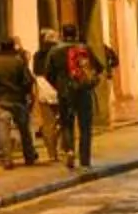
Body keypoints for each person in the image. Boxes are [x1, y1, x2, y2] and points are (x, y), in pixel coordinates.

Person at [40, 25, 107, 168]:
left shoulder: (55, 51)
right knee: (85, 127)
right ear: (76, 34)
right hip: (84, 92)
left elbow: (48, 73)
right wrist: (89, 81)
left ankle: (69, 150)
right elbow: (99, 68)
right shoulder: (85, 49)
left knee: (67, 124)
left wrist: (58, 85)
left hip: (65, 93)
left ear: (62, 34)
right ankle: (85, 160)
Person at [0, 38, 37, 167]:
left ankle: (7, 159)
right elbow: (28, 80)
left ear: (0, 48)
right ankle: (29, 156)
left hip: (2, 100)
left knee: (4, 129)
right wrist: (25, 92)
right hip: (18, 100)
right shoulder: (19, 62)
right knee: (24, 130)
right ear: (13, 47)